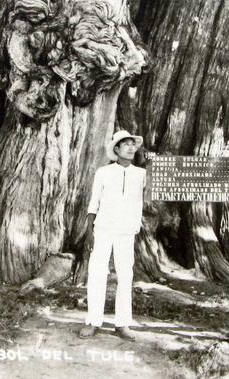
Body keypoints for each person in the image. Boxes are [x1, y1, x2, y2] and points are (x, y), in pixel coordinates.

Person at [78, 130, 146, 341]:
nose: (130, 147)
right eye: (125, 144)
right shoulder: (103, 172)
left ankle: (122, 324)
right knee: (98, 274)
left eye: (132, 144)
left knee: (125, 276)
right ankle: (93, 321)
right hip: (103, 229)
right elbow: (94, 202)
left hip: (126, 231)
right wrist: (89, 231)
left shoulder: (141, 174)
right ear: (116, 149)